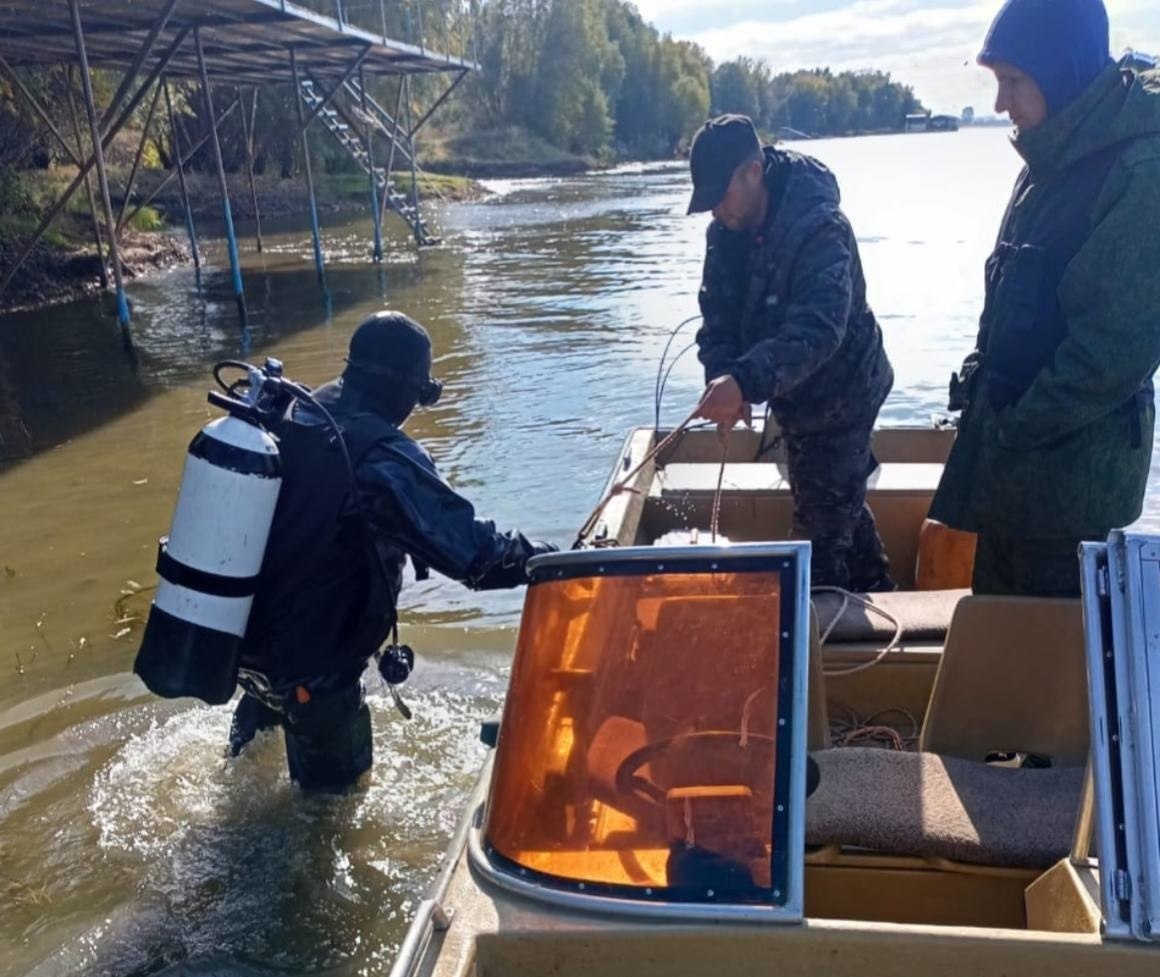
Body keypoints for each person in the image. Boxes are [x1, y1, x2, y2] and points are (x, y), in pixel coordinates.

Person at [228, 311, 557, 791]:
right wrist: (549, 559)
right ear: (408, 388)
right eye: (421, 394)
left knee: (240, 783)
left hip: (246, 646)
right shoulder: (381, 457)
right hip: (315, 672)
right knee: (330, 815)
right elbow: (476, 557)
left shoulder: (297, 413)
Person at [930, 0, 1160, 597]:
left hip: (1067, 502)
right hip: (1017, 483)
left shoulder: (1141, 168)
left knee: (1055, 671)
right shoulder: (1049, 152)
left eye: (1013, 81)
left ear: (1063, 75)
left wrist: (1010, 433)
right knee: (1000, 649)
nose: (1000, 104)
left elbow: (1111, 351)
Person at [688, 114, 896, 592]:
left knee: (817, 542)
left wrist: (744, 381)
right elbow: (716, 317)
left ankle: (823, 641)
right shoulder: (725, 233)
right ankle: (880, 590)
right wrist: (723, 375)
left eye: (721, 194)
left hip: (846, 393)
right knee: (833, 498)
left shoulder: (820, 227)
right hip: (790, 396)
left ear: (754, 172)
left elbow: (819, 329)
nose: (716, 209)